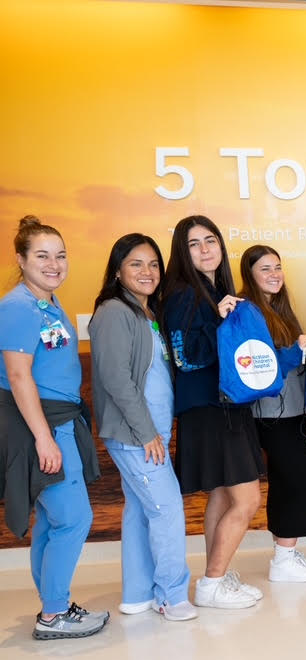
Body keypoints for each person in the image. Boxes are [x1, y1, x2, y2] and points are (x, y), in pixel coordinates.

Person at [0, 216, 106, 639]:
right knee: (74, 519)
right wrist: (44, 438)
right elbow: (19, 376)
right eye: (42, 256)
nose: (54, 264)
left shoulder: (47, 302)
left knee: (51, 520)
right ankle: (54, 614)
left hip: (56, 420)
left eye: (60, 255)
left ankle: (53, 606)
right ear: (21, 259)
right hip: (40, 425)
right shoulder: (17, 307)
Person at [89, 233, 196, 621]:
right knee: (167, 510)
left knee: (140, 509)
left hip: (150, 433)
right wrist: (147, 432)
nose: (147, 272)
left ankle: (137, 594)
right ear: (118, 270)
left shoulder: (147, 313)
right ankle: (171, 594)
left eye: (153, 264)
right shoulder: (114, 312)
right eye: (136, 264)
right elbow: (116, 378)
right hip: (136, 435)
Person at [161, 215, 263, 609]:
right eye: (193, 244)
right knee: (247, 500)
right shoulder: (186, 294)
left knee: (222, 494)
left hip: (221, 404)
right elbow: (187, 359)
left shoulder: (210, 290)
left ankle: (214, 577)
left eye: (211, 241)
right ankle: (213, 582)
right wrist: (219, 321)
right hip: (209, 408)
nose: (205, 250)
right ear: (182, 254)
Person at [238, 245, 306, 582]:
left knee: (286, 482)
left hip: (289, 412)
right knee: (304, 482)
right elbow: (257, 365)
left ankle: (284, 555)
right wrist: (294, 352)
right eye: (265, 269)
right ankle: (284, 559)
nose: (274, 274)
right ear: (250, 274)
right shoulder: (248, 311)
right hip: (270, 415)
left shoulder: (280, 310)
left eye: (277, 267)